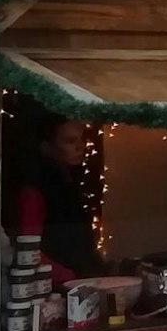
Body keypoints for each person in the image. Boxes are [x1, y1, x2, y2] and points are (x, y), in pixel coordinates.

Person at [10, 115, 105, 284]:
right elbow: (28, 250)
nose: (80, 147)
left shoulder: (69, 183)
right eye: (70, 141)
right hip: (54, 289)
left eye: (82, 139)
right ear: (47, 147)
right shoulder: (35, 189)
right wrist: (69, 277)